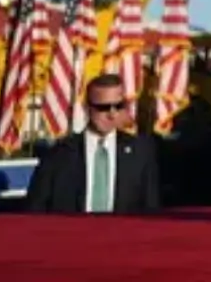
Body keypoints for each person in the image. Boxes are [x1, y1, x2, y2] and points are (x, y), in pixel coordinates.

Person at [24, 73, 162, 213]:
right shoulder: (58, 155)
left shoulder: (141, 153)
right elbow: (35, 210)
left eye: (118, 106)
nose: (112, 114)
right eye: (104, 108)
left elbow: (150, 210)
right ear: (87, 108)